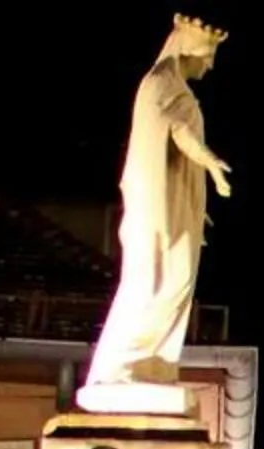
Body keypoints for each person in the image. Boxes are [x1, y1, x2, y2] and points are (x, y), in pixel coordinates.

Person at [83, 15, 233, 406]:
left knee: (173, 279)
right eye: (207, 56)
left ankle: (151, 363)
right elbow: (179, 133)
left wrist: (193, 203)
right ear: (188, 50)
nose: (210, 65)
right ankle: (122, 366)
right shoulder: (160, 84)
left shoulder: (173, 85)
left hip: (172, 206)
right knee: (154, 280)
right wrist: (212, 165)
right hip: (154, 213)